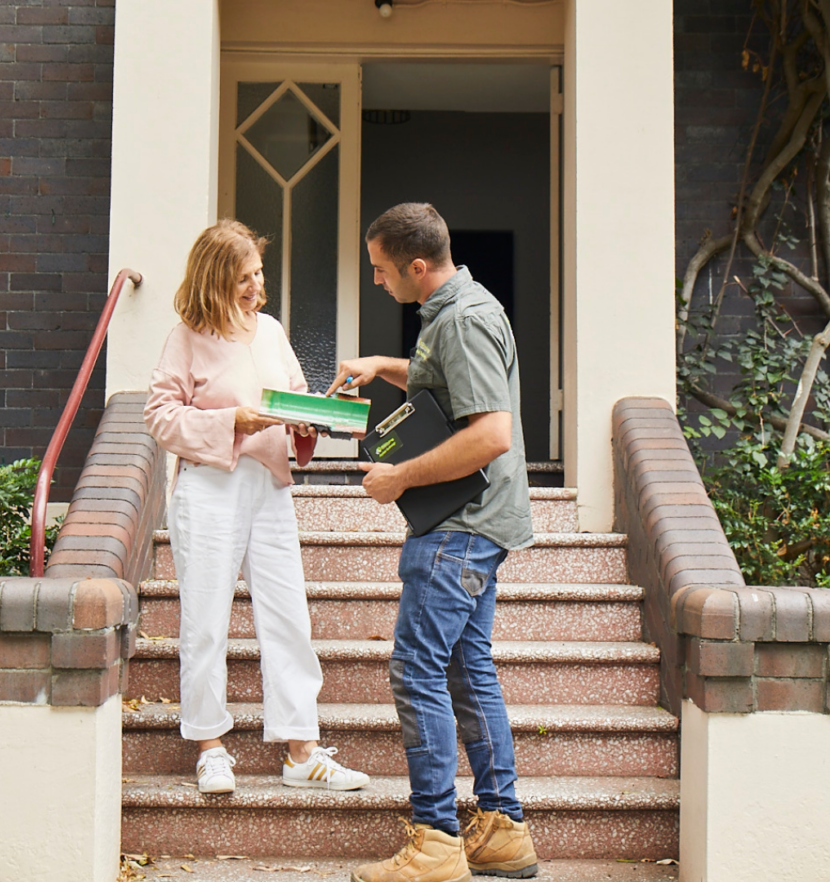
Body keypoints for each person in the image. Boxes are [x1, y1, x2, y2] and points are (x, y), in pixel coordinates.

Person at [333, 204, 538, 882]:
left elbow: (490, 435)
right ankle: (502, 829)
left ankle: (436, 841)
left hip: (459, 528)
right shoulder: (456, 314)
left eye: (381, 269)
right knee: (465, 669)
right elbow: (445, 381)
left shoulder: (466, 320)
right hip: (473, 524)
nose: (377, 280)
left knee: (416, 670)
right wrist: (382, 366)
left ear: (417, 266)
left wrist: (400, 477)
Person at [144, 219, 370, 795]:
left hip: (268, 486)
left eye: (259, 274)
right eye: (243, 278)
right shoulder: (187, 336)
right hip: (210, 486)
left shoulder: (269, 331)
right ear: (215, 278)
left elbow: (293, 402)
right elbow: (160, 416)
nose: (255, 287)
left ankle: (302, 750)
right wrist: (228, 421)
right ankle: (210, 746)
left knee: (288, 615)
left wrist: (317, 413)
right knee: (205, 618)